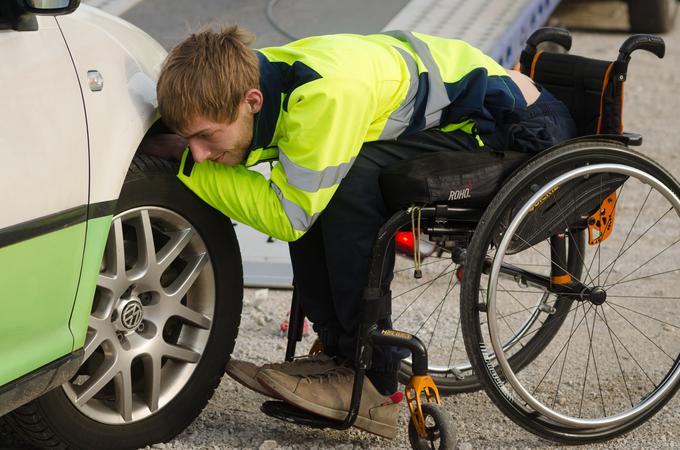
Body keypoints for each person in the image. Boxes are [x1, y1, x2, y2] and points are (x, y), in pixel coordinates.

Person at [150, 26, 577, 439]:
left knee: (350, 183)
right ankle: (339, 352)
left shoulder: (323, 96)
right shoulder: (264, 78)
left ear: (252, 100)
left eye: (205, 137)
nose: (200, 152)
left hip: (517, 125)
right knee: (322, 183)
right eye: (192, 142)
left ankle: (373, 377)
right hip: (472, 116)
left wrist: (190, 169)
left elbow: (287, 216)